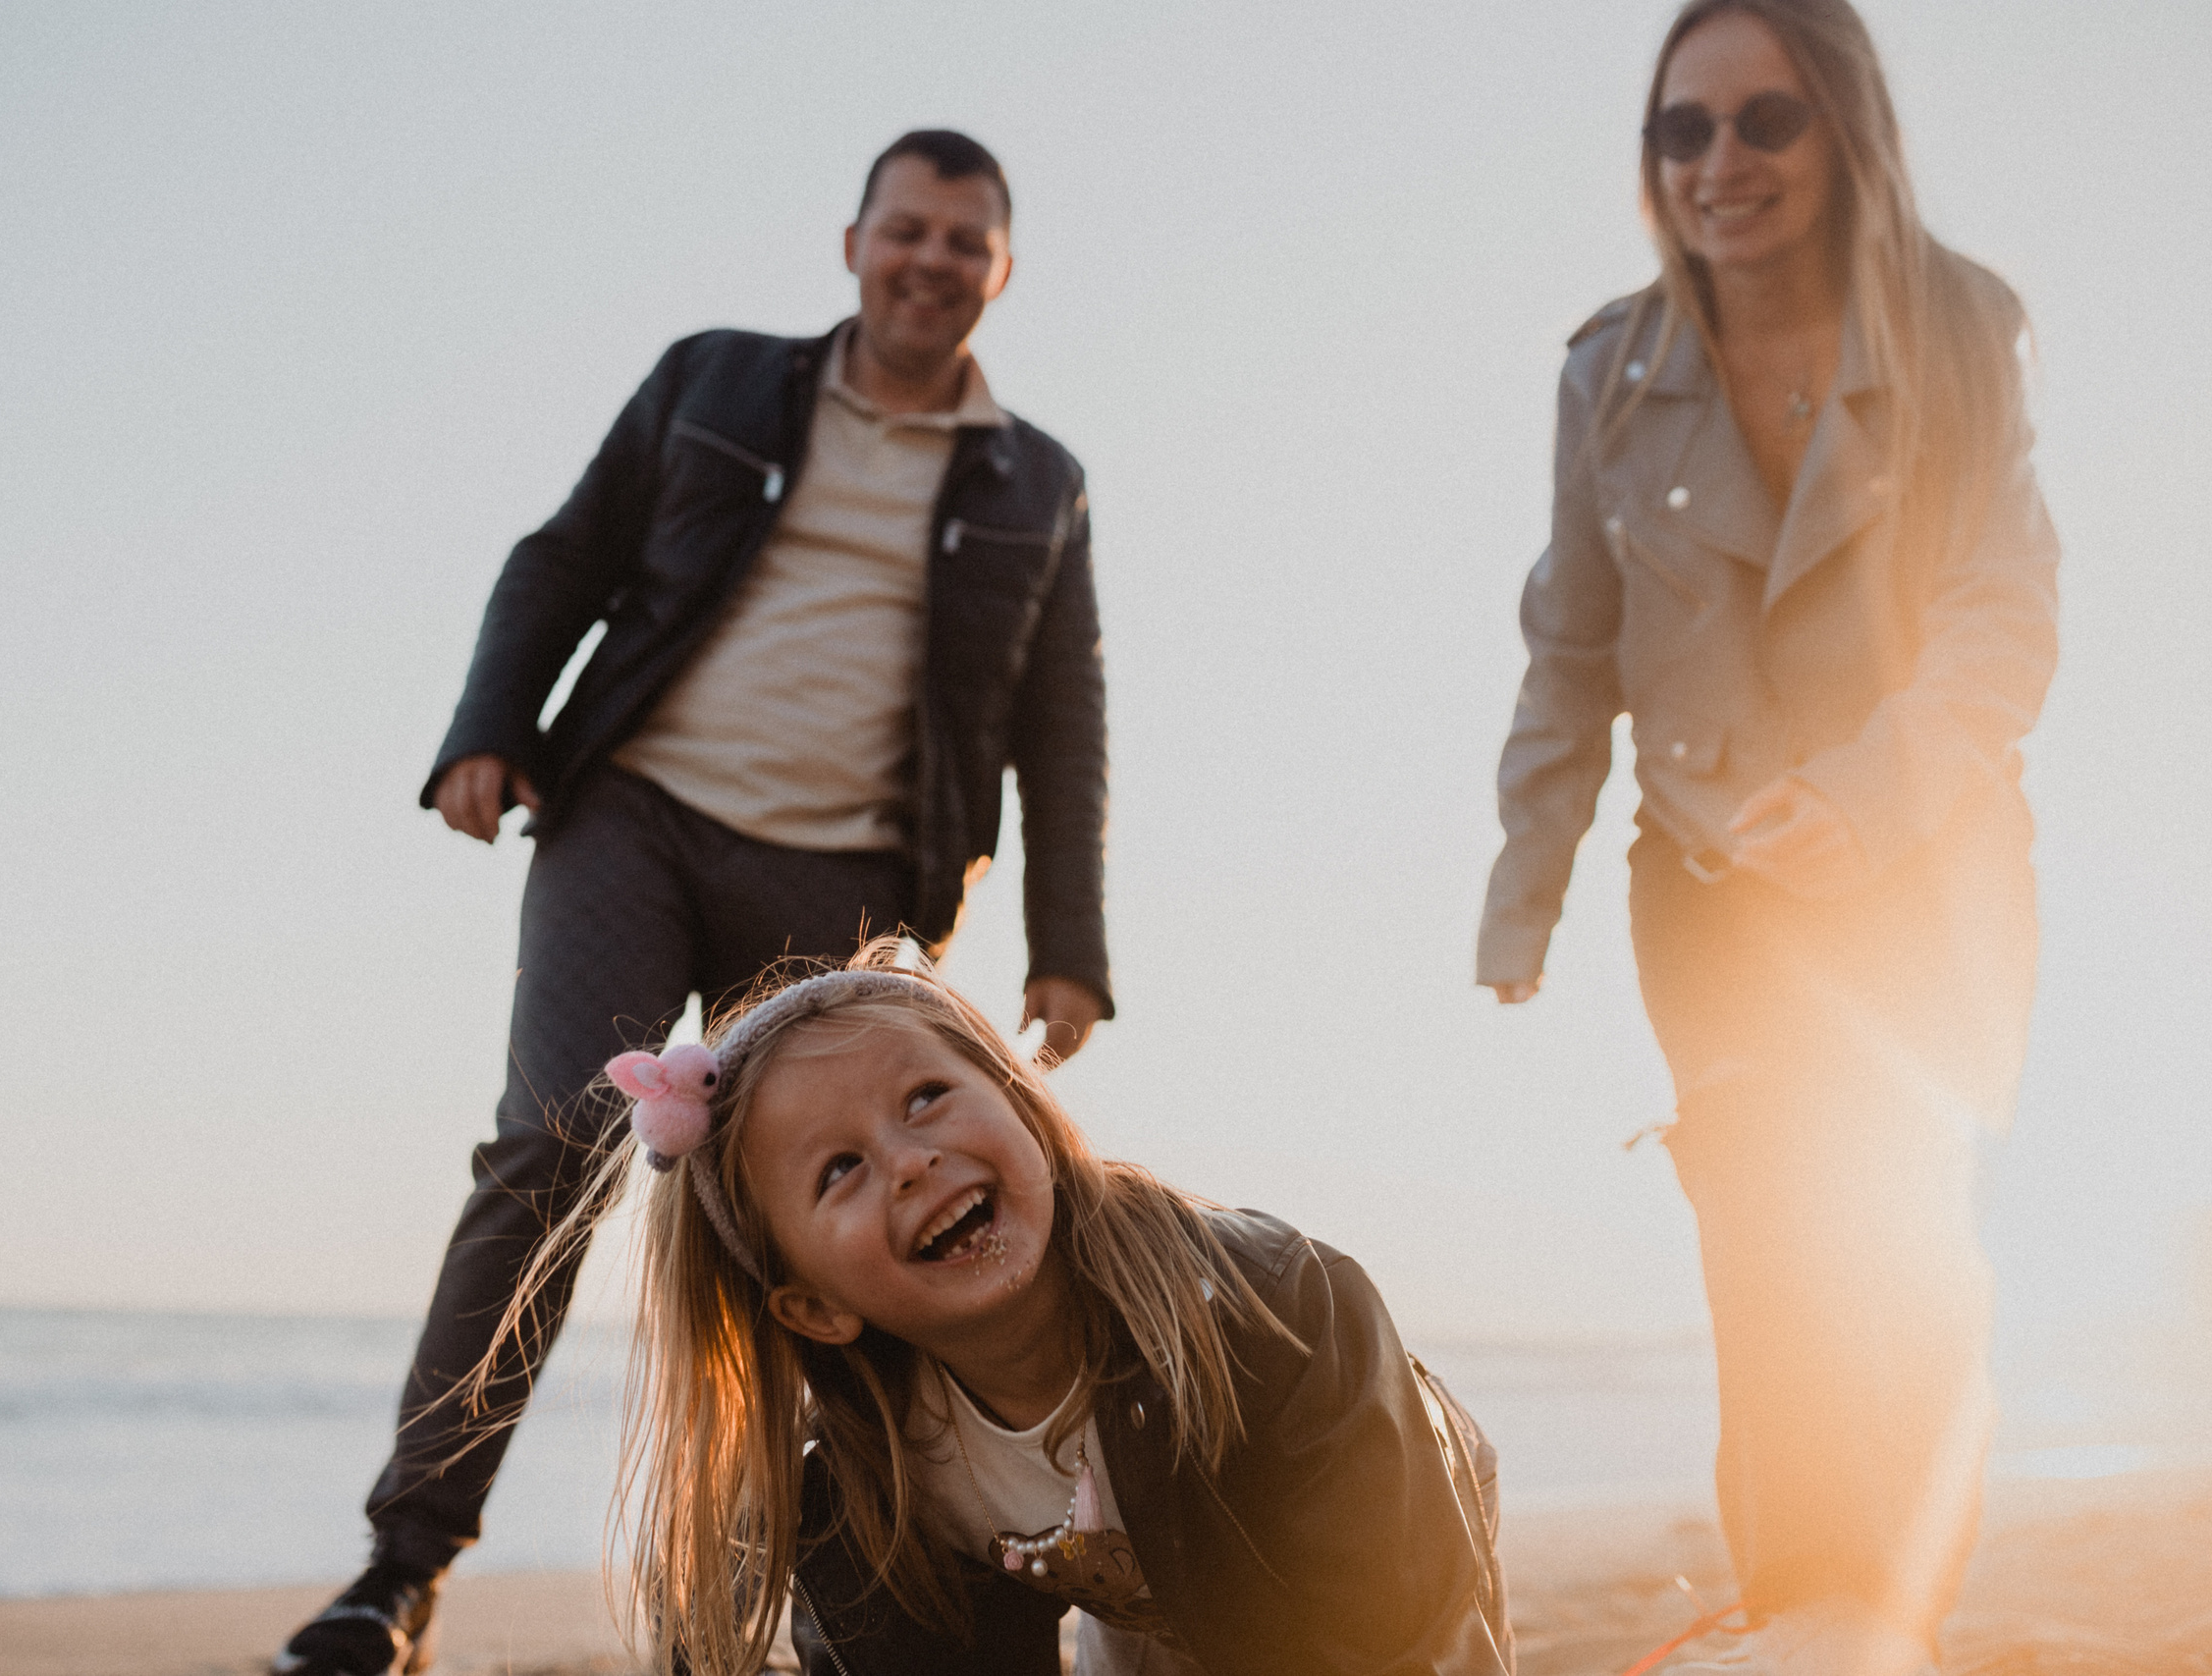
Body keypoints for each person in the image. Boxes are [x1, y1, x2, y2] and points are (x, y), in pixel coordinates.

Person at [276, 131, 1114, 1676]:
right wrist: (487, 723)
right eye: (907, 231)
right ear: (854, 242)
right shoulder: (715, 381)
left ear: (1001, 270)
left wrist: (1070, 948)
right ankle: (397, 1573)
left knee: (842, 1228)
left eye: (965, 242)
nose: (931, 261)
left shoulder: (1035, 482)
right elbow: (566, 554)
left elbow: (1061, 723)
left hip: (851, 883)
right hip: (637, 816)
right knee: (552, 1149)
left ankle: (879, 1568)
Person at [1477, 3, 2057, 1671]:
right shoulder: (1608, 368)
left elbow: (2003, 613)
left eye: (1765, 121)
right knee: (1768, 1243)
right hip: (1713, 882)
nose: (1721, 164)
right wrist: (1529, 891)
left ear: (1844, 129)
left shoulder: (1959, 328)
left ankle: (1891, 1606)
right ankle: (1807, 1616)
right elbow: (1570, 645)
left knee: (1911, 1256)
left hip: (1932, 866)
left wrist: (1867, 793)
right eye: (1685, 129)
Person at [467, 949, 1512, 1676]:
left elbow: (1383, 1628)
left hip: (1373, 1528)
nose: (911, 1158)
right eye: (839, 1169)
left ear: (1022, 1103)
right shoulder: (878, 1485)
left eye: (925, 1097)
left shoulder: (1279, 1309)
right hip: (1140, 1598)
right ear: (811, 1306)